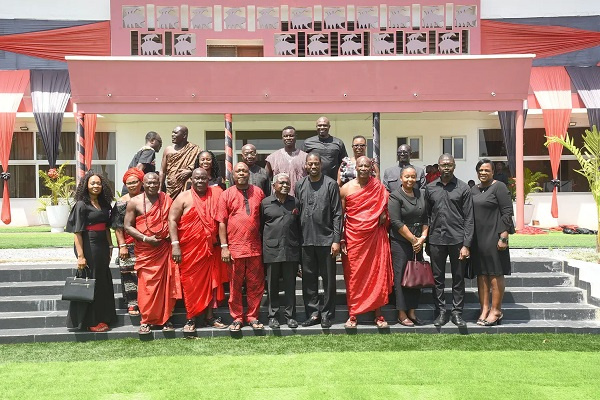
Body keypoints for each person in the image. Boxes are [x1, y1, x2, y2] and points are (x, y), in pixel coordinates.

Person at [168, 168, 228, 332]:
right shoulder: (183, 197)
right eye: (197, 178)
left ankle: (209, 317)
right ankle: (191, 318)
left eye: (203, 178)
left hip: (210, 249)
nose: (200, 181)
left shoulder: (216, 194)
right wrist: (175, 245)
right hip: (189, 251)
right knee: (191, 285)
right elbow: (172, 220)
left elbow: (222, 218)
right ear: (191, 180)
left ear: (208, 179)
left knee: (211, 284)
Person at [340, 156, 393, 328]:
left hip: (375, 237)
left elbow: (386, 207)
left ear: (371, 168)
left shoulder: (378, 187)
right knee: (354, 276)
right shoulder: (346, 189)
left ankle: (378, 315)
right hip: (353, 238)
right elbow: (340, 217)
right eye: (360, 165)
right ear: (355, 167)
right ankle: (353, 314)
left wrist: (385, 215)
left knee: (376, 274)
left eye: (366, 166)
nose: (363, 168)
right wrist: (341, 239)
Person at [425, 154, 474, 327]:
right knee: (437, 279)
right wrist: (427, 242)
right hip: (436, 240)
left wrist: (466, 244)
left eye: (449, 164)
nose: (446, 167)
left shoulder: (463, 189)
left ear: (454, 166)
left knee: (458, 278)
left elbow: (469, 218)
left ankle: (457, 313)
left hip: (457, 240)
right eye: (443, 165)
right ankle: (441, 312)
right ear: (438, 167)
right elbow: (427, 216)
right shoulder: (430, 188)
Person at [125, 172, 177, 334]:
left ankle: (166, 319)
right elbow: (127, 226)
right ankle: (146, 320)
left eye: (155, 182)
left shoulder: (167, 199)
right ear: (143, 184)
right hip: (146, 250)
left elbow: (173, 219)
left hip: (163, 248)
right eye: (149, 183)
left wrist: (170, 235)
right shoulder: (134, 202)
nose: (153, 185)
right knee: (146, 286)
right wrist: (146, 239)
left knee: (165, 286)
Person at [295, 153, 342, 328]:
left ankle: (327, 314)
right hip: (306, 241)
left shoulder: (330, 184)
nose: (313, 166)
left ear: (321, 165)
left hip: (327, 240)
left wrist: (336, 239)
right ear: (306, 166)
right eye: (310, 164)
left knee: (329, 280)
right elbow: (297, 213)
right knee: (309, 280)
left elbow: (338, 214)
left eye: (316, 164)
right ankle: (313, 313)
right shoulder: (300, 185)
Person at [217, 162, 266, 331]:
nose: (241, 174)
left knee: (255, 284)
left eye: (244, 171)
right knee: (235, 285)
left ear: (249, 174)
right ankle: (237, 318)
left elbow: (264, 220)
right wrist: (224, 246)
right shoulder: (226, 194)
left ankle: (252, 316)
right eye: (238, 171)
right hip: (234, 249)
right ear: (233, 175)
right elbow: (221, 222)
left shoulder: (258, 192)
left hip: (254, 248)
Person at [65, 170, 116, 332]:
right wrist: (80, 256)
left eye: (99, 183)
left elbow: (107, 228)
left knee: (102, 280)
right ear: (86, 185)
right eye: (92, 183)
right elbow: (77, 232)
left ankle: (104, 317)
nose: (96, 186)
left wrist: (110, 246)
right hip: (88, 244)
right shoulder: (81, 205)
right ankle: (90, 321)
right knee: (92, 280)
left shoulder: (104, 204)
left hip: (102, 245)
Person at [471, 159, 514, 326]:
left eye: (487, 170)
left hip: (495, 238)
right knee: (482, 275)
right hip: (478, 239)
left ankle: (496, 311)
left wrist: (504, 237)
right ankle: (484, 309)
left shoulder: (499, 187)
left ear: (493, 172)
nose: (483, 172)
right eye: (480, 170)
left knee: (495, 274)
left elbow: (507, 212)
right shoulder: (474, 189)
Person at [388, 165, 429, 326]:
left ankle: (412, 311)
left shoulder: (421, 194)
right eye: (407, 177)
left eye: (413, 177)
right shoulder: (395, 196)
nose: (410, 180)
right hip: (401, 243)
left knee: (415, 276)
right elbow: (396, 222)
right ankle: (402, 313)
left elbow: (426, 217)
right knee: (401, 277)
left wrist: (422, 238)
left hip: (418, 242)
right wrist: (413, 240)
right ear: (401, 178)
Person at [261, 173, 301, 329]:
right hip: (271, 250)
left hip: (290, 250)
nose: (285, 186)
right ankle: (273, 316)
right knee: (272, 286)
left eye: (288, 183)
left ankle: (290, 316)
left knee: (290, 285)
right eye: (282, 183)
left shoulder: (295, 202)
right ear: (274, 186)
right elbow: (260, 226)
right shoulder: (265, 203)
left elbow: (298, 227)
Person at [111, 167, 145, 316]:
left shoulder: (147, 198)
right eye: (128, 183)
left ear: (141, 182)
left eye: (135, 182)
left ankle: (146, 303)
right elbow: (118, 227)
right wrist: (122, 246)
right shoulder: (120, 203)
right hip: (128, 244)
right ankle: (132, 303)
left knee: (144, 274)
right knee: (128, 273)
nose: (132, 185)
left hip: (145, 243)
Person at [160, 125, 202, 199]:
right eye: (172, 133)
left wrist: (190, 171)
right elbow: (162, 171)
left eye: (176, 133)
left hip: (186, 187)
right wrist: (159, 189)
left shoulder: (194, 149)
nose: (172, 135)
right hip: (171, 188)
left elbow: (201, 167)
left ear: (184, 135)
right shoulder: (168, 150)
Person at [302, 116, 348, 181]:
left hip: (333, 181)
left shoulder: (338, 143)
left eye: (325, 125)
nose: (322, 127)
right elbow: (303, 164)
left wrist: (340, 182)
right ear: (316, 127)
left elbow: (344, 164)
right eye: (319, 125)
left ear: (329, 127)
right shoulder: (307, 143)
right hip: (313, 181)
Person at [265, 126, 307, 196]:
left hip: (301, 197)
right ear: (282, 138)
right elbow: (266, 180)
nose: (288, 138)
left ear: (296, 137)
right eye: (285, 136)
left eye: (291, 136)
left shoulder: (305, 157)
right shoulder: (272, 158)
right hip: (279, 200)